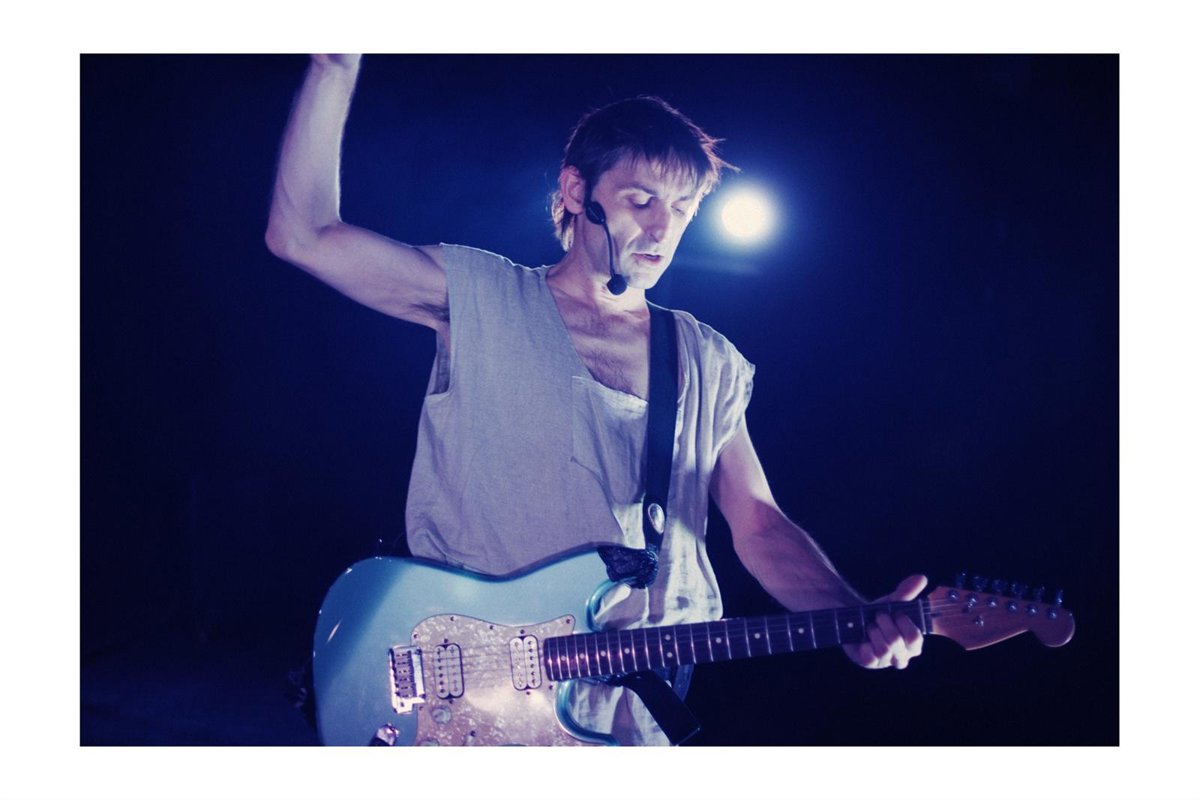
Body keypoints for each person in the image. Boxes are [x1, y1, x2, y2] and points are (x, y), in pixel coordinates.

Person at [266, 54, 925, 745]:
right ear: (578, 191)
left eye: (683, 208)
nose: (663, 229)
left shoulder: (705, 358)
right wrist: (334, 63)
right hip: (472, 693)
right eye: (642, 201)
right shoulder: (484, 296)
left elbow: (757, 522)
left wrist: (854, 613)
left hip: (635, 709)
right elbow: (302, 235)